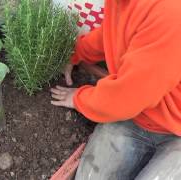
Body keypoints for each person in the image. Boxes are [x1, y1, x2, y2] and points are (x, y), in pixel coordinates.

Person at [50, 0, 181, 179]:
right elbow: (112, 33)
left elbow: (126, 97)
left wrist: (78, 98)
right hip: (134, 117)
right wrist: (74, 53)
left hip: (175, 129)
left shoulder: (171, 13)